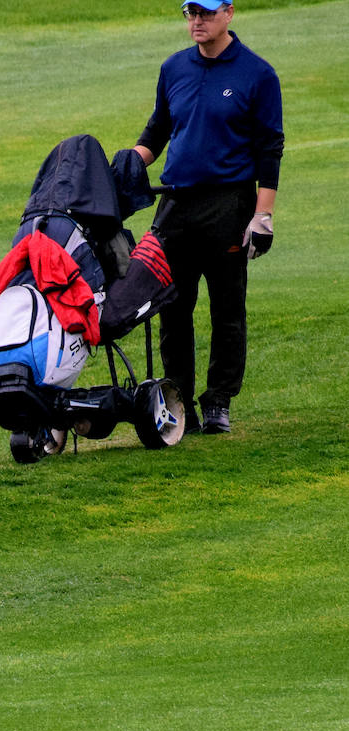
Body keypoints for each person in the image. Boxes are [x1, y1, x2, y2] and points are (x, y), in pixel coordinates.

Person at [134, 0, 283, 434]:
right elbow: (159, 130)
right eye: (191, 14)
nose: (197, 22)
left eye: (206, 13)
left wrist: (264, 214)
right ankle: (178, 398)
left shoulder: (257, 74)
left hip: (228, 205)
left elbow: (269, 148)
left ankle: (218, 401)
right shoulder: (173, 68)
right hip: (176, 205)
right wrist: (129, 163)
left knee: (227, 308)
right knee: (172, 308)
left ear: (229, 13)